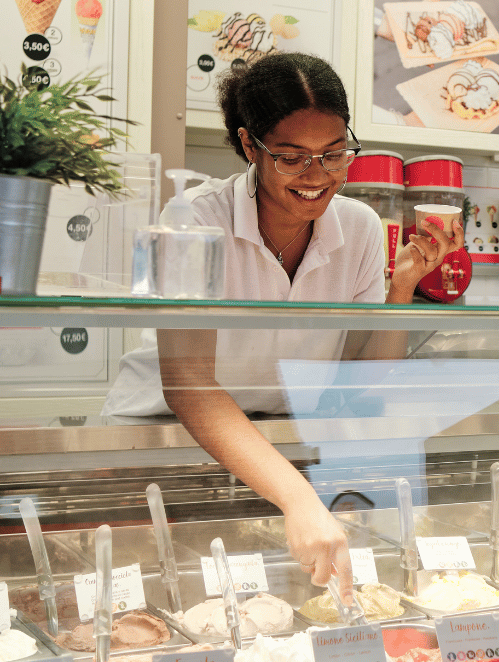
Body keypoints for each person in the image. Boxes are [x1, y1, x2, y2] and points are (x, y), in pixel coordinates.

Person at [105, 53, 465, 597]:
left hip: (281, 453)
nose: (318, 176)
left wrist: (401, 289)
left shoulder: (362, 226)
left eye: (335, 154)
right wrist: (298, 499)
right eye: (292, 158)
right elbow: (189, 385)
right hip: (168, 450)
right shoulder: (195, 218)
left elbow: (361, 385)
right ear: (250, 146)